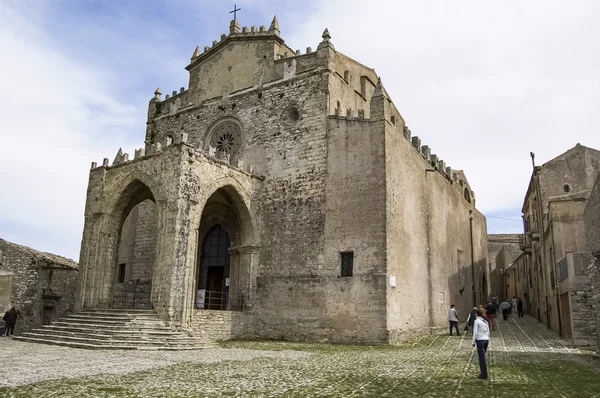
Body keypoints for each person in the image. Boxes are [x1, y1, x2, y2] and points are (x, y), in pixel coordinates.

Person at [472, 308, 491, 379]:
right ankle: (483, 373)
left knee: (481, 358)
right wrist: (488, 338)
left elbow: (475, 332)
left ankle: (484, 374)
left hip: (480, 340)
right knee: (482, 357)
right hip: (486, 340)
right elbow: (488, 332)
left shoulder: (477, 321)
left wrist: (473, 342)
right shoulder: (485, 321)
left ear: (476, 314)